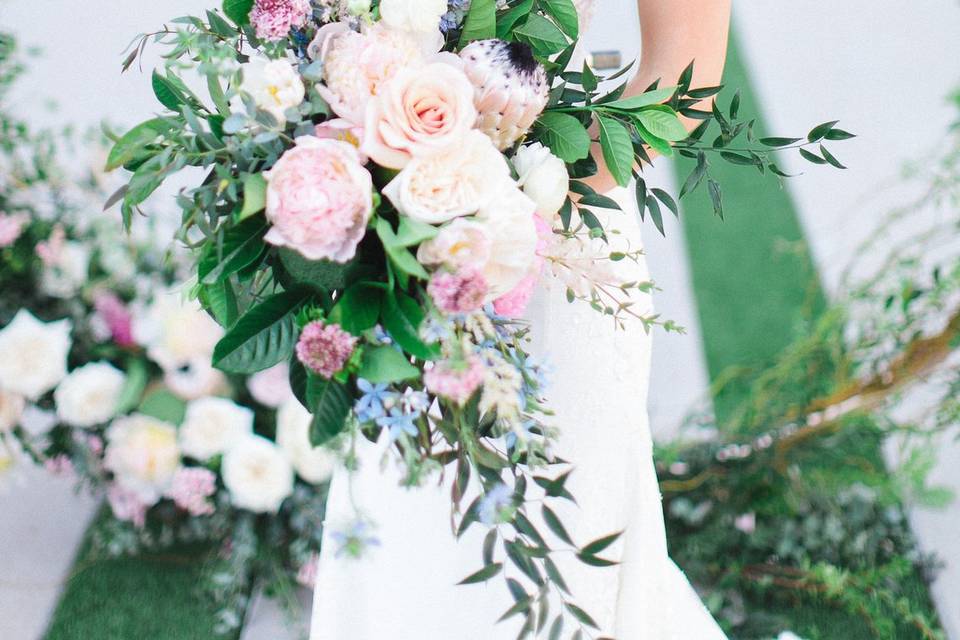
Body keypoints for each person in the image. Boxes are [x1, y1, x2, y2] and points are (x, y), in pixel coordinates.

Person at [311, 1, 732, 637]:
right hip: (382, 229)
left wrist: (512, 204)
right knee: (403, 547)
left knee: (553, 563)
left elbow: (683, 75)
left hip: (550, 237)